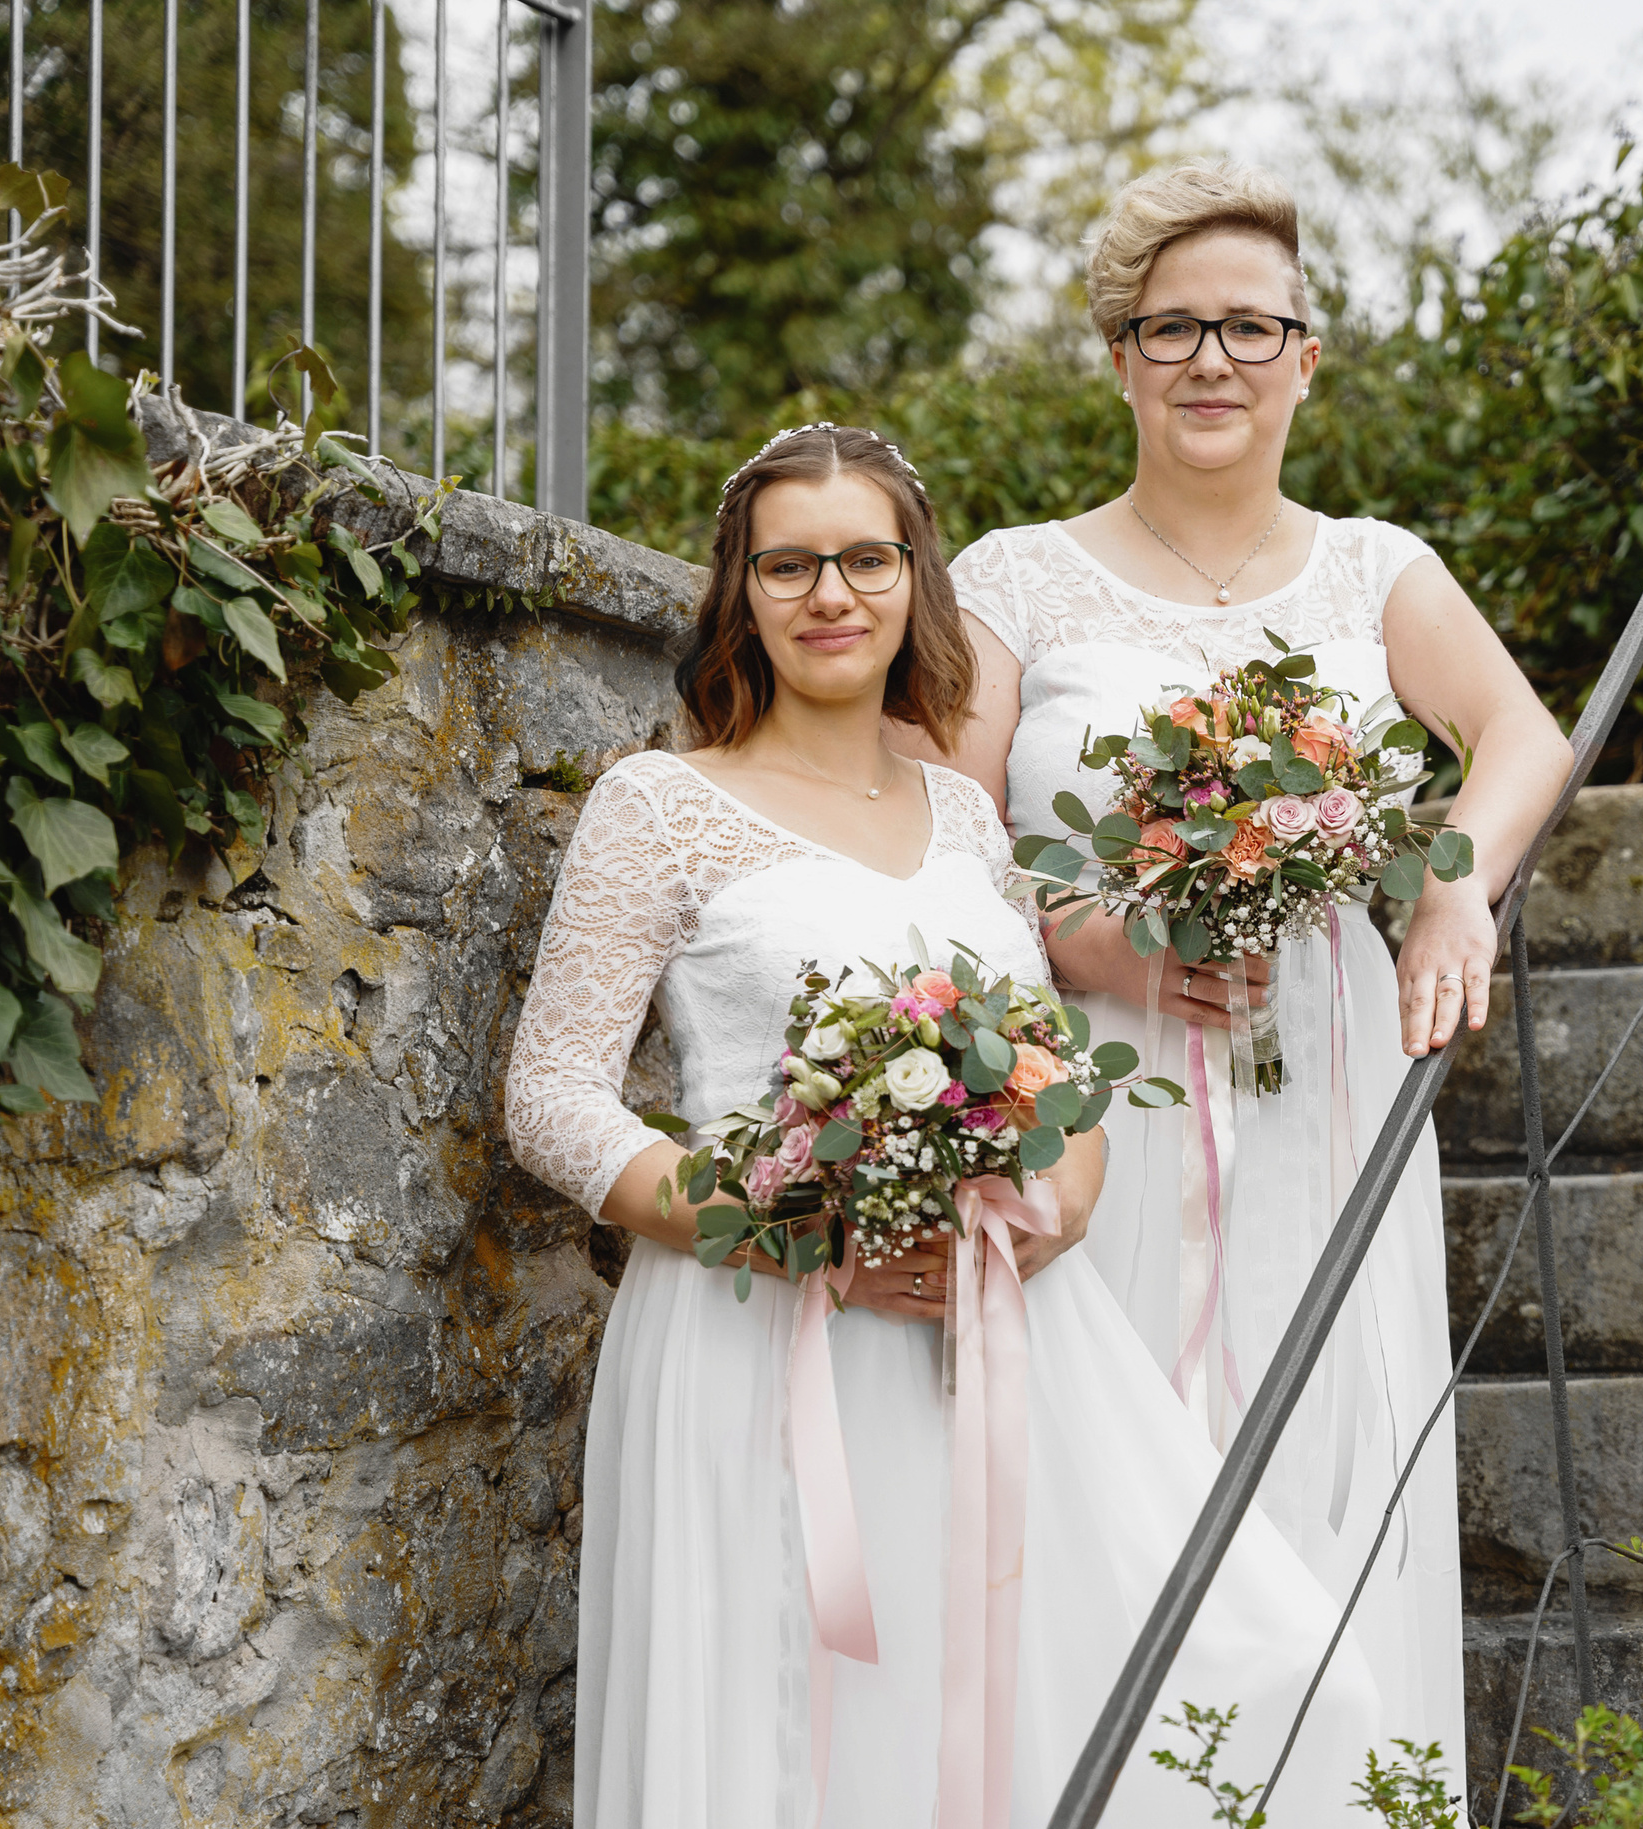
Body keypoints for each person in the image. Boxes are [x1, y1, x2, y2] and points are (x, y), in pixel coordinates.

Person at [502, 424, 1376, 1828]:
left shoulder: (969, 821)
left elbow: (1051, 1068)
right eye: (789, 563)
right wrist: (785, 1228)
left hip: (997, 1330)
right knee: (795, 1721)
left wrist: (1066, 1205)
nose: (829, 593)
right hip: (751, 1332)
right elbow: (549, 1095)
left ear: (916, 583)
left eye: (865, 557)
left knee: (1255, 1671)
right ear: (742, 589)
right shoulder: (658, 805)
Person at [916, 164, 1570, 1791]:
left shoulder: (1372, 568)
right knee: (1111, 1463)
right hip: (1100, 1100)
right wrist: (1087, 938)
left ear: (1305, 357)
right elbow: (931, 824)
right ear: (1121, 356)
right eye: (1172, 327)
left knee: (1329, 1444)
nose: (1212, 359)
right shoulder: (1015, 577)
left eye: (1248, 327)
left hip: (1329, 1083)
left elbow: (1521, 738)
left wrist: (1449, 891)